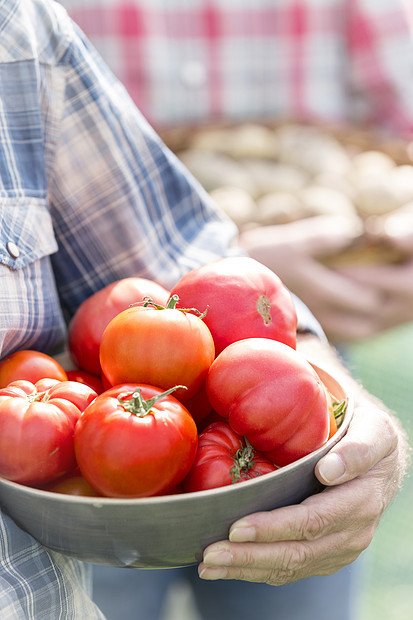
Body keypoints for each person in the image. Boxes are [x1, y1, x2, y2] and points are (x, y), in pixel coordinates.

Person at [0, 1, 409, 619]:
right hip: (84, 516)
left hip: (215, 415)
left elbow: (174, 254)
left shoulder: (19, 35)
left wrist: (347, 413)